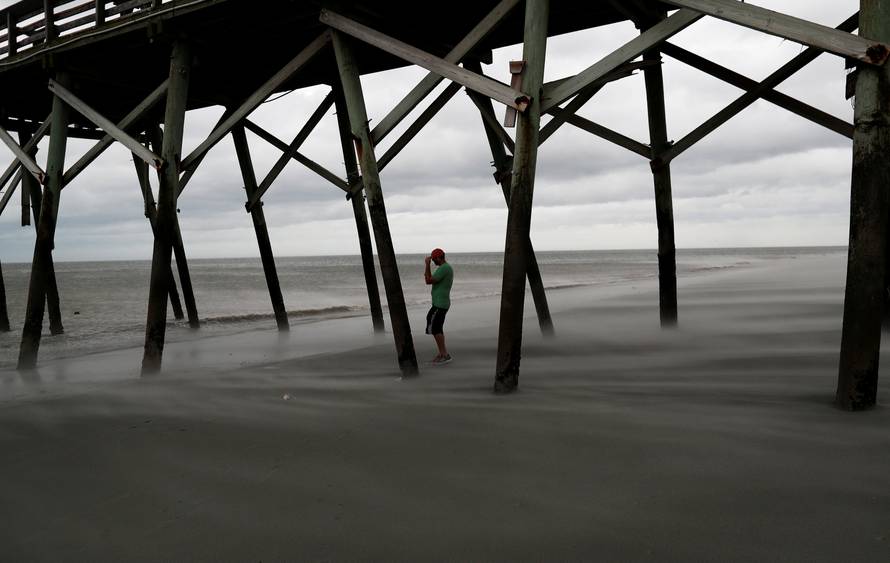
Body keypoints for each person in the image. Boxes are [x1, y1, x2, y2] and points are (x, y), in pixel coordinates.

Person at [424, 248, 453, 365]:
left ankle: (444, 354)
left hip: (441, 303)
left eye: (433, 259)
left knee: (436, 328)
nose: (433, 261)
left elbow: (428, 280)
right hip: (439, 303)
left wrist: (427, 265)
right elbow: (431, 279)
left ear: (438, 258)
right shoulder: (443, 268)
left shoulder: (444, 268)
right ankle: (442, 353)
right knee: (435, 325)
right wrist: (428, 269)